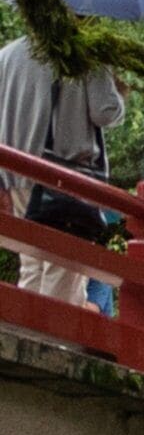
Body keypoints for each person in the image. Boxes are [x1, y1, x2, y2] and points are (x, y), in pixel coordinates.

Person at [0, 33, 126, 314]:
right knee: (64, 267)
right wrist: (114, 87)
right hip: (66, 177)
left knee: (32, 264)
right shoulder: (81, 54)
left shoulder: (6, 56)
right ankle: (54, 345)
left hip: (15, 176)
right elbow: (106, 112)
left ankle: (27, 334)